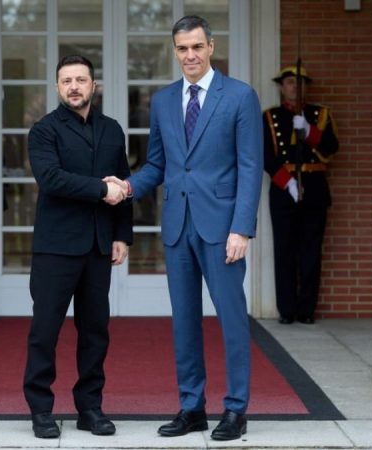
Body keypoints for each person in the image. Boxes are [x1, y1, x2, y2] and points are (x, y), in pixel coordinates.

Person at [107, 15, 262, 441]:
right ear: (174, 51)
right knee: (184, 322)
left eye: (196, 46)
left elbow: (251, 167)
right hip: (177, 226)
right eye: (182, 48)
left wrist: (242, 228)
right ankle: (192, 407)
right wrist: (127, 187)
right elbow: (158, 163)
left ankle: (236, 410)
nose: (190, 55)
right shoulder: (163, 101)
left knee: (232, 319)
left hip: (222, 229)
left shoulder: (240, 97)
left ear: (211, 46)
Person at [23, 55, 133, 439]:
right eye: (66, 81)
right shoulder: (44, 130)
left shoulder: (112, 129)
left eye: (81, 80)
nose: (74, 87)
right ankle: (41, 410)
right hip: (55, 247)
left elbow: (125, 183)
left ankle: (90, 408)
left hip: (98, 246)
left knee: (95, 332)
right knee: (45, 331)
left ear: (93, 85)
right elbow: (51, 179)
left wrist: (122, 235)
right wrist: (102, 190)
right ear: (57, 87)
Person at [262, 66, 339, 325]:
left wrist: (309, 130)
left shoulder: (319, 115)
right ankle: (287, 310)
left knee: (311, 251)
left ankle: (306, 309)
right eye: (289, 82)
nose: (295, 86)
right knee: (284, 250)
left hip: (314, 187)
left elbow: (332, 148)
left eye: (299, 82)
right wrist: (288, 183)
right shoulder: (270, 117)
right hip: (284, 190)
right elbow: (265, 156)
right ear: (281, 87)